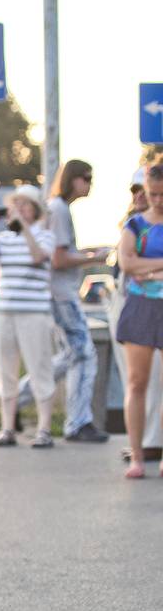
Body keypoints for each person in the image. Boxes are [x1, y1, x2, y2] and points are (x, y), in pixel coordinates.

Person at [0, 185, 58, 447]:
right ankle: (7, 428)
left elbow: (37, 257)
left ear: (35, 210)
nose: (19, 209)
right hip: (3, 312)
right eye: (15, 205)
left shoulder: (44, 236)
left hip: (34, 313)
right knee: (5, 370)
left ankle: (44, 428)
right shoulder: (3, 239)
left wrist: (24, 228)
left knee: (39, 368)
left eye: (25, 205)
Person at [37, 160, 109, 441]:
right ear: (72, 179)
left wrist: (89, 250)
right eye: (86, 178)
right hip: (62, 295)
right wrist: (95, 259)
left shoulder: (58, 209)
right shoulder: (58, 209)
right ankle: (78, 422)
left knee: (71, 356)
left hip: (60, 294)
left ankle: (16, 397)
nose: (90, 184)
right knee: (83, 354)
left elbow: (64, 250)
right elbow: (59, 258)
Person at [114, 163, 163, 477]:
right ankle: (136, 457)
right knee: (136, 382)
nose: (158, 200)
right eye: (153, 194)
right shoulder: (134, 225)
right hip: (140, 306)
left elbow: (136, 264)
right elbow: (127, 264)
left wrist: (146, 267)